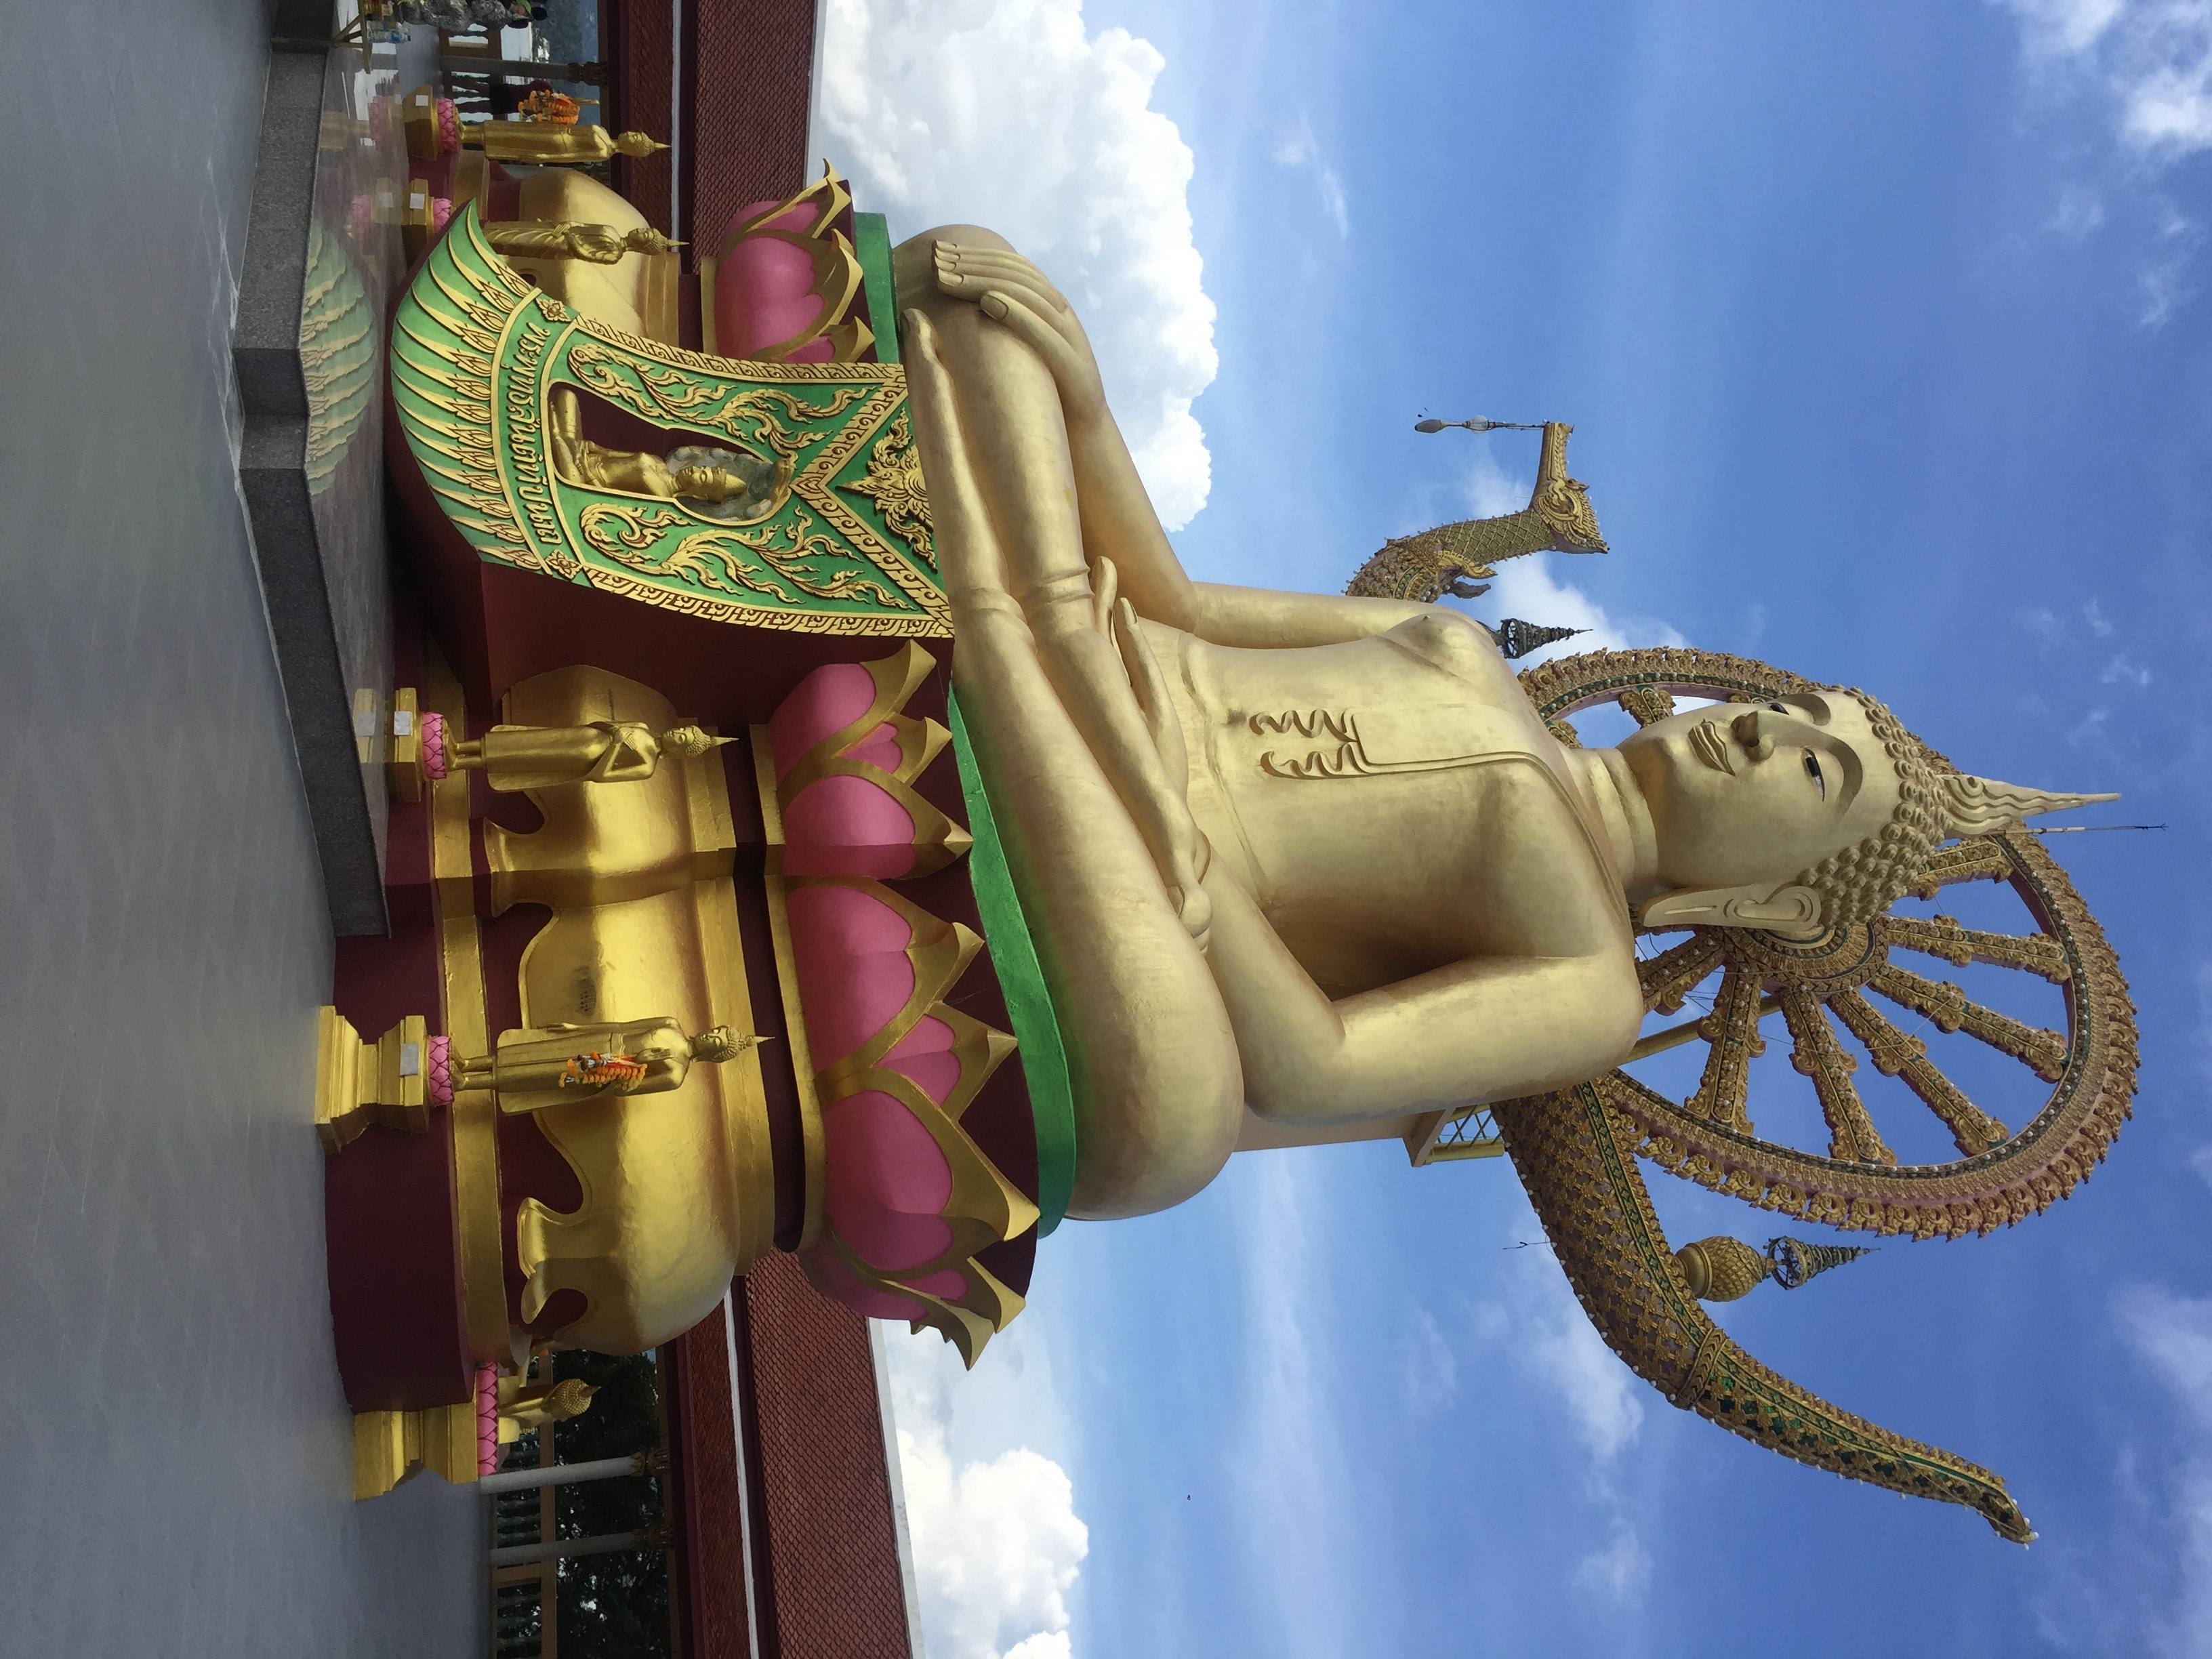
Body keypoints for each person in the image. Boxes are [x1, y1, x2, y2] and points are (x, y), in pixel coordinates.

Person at [896, 230, 2110, 1220]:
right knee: (983, 295)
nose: (1758, 728)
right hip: (1105, 662)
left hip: (1139, 862)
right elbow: (1178, 605)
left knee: (1172, 1118)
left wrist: (1187, 863)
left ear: (1773, 906)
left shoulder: (1591, 985)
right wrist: (1091, 411)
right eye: (1785, 706)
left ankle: (1006, 652)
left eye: (1814, 769)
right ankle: (1014, 652)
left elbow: (1314, 1063)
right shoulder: (1460, 647)